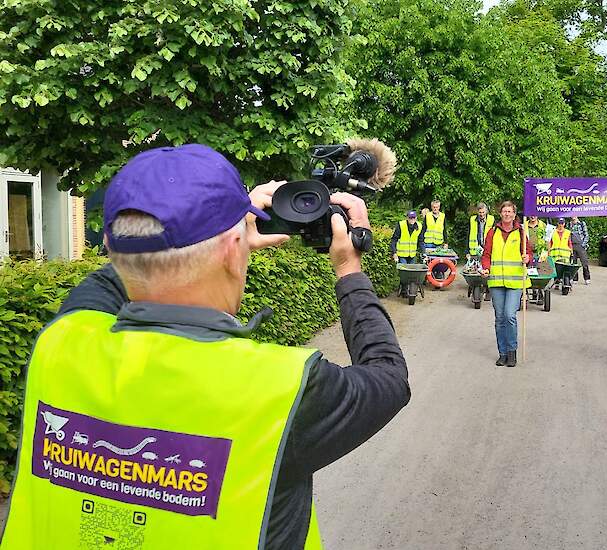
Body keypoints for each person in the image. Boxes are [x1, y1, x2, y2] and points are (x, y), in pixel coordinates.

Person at [0, 144, 410, 549]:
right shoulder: (283, 390)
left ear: (110, 246)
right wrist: (348, 266)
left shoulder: (62, 342)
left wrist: (221, 229)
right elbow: (388, 375)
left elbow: (113, 275)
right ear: (234, 252)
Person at [480, 201, 532, 368]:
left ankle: (512, 351)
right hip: (496, 281)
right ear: (500, 214)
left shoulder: (521, 232)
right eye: (504, 211)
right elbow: (486, 254)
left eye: (510, 211)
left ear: (514, 214)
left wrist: (527, 258)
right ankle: (502, 354)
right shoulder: (492, 232)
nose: (507, 214)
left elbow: (528, 253)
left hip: (515, 282)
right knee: (500, 318)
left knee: (510, 316)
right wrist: (486, 268)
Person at [569, 215, 591, 285]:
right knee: (573, 263)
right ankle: (575, 278)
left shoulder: (582, 223)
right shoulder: (569, 224)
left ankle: (587, 278)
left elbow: (586, 235)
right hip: (572, 245)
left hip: (580, 245)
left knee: (584, 263)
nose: (573, 216)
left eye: (574, 215)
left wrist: (583, 245)